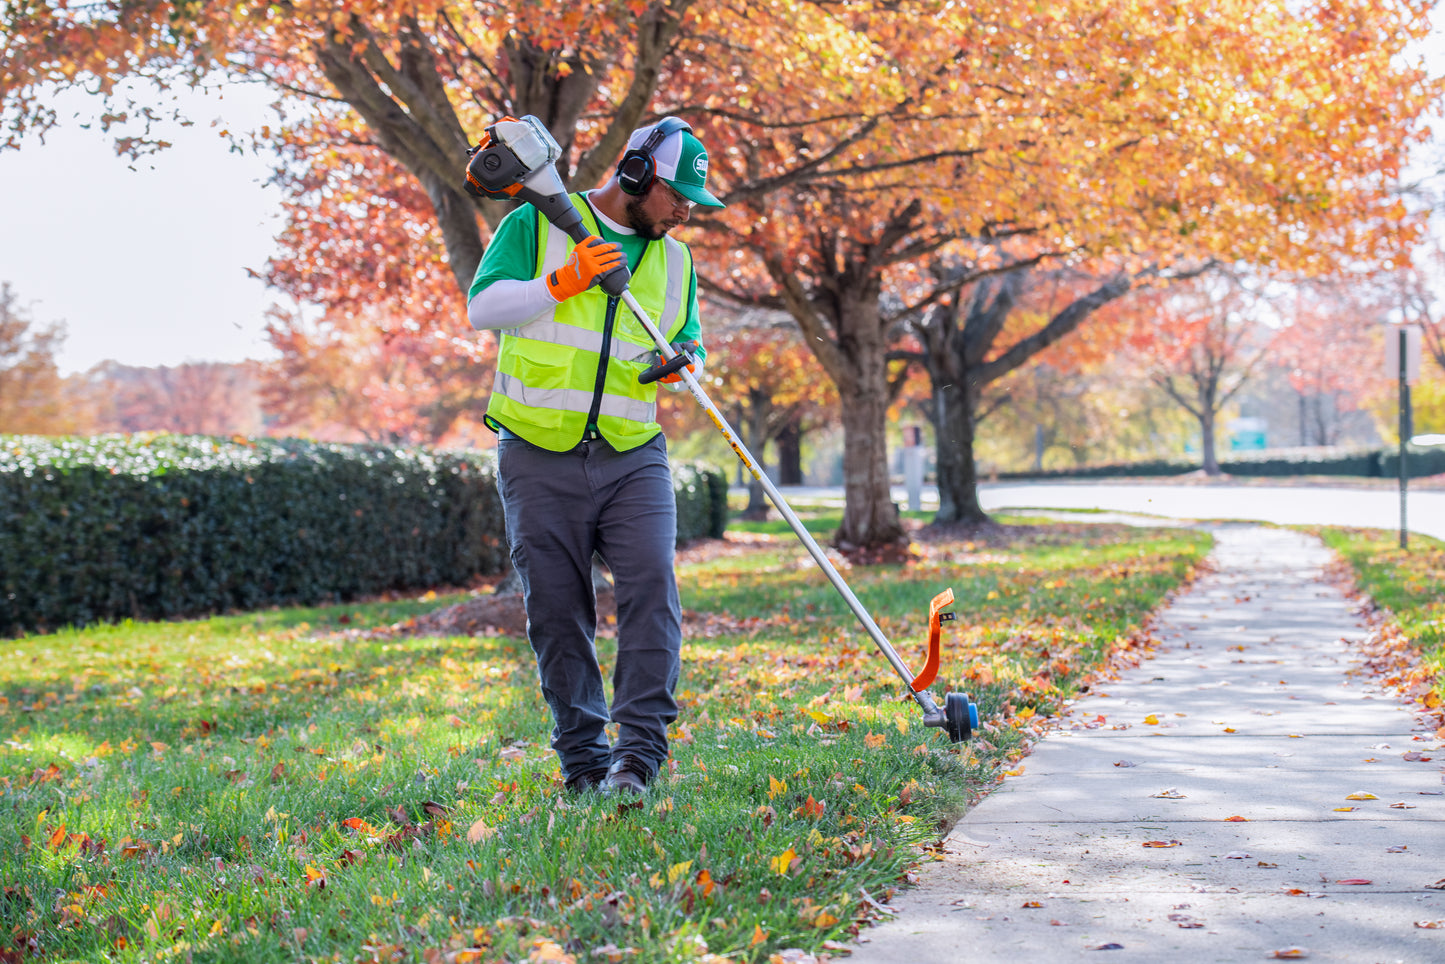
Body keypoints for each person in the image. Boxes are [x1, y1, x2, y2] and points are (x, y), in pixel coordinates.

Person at [466, 117, 726, 795]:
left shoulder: (675, 258)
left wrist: (685, 361)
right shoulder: (539, 222)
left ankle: (636, 758)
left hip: (632, 452)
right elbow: (482, 309)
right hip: (536, 450)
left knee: (651, 591)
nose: (685, 211)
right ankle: (583, 763)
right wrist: (566, 279)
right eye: (678, 195)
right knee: (556, 611)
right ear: (636, 174)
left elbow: (687, 337)